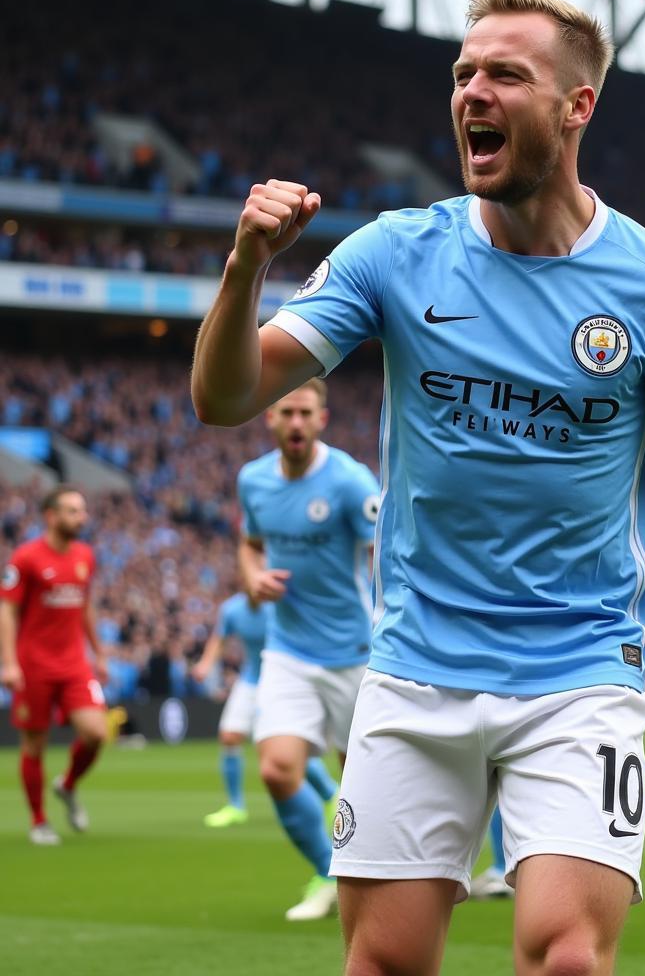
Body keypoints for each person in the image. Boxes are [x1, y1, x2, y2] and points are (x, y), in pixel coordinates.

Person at [192, 0, 645, 975]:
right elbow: (226, 397)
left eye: (504, 74)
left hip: (578, 675)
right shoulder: (396, 254)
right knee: (384, 963)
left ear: (577, 106)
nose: (471, 92)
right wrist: (244, 272)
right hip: (412, 670)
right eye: (462, 73)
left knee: (566, 955)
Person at [236, 379, 380, 921]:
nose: (295, 422)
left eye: (305, 413)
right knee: (276, 770)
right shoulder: (253, 481)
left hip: (354, 653)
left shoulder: (347, 482)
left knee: (362, 785)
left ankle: (377, 882)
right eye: (285, 412)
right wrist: (253, 579)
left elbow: (386, 551)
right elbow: (250, 546)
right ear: (268, 418)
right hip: (288, 649)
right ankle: (328, 872)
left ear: (322, 419)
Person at [0, 485, 108, 845]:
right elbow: (7, 611)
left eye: (83, 510)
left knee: (96, 733)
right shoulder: (26, 558)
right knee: (34, 745)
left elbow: (86, 606)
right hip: (34, 665)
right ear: (51, 516)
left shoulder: (85, 556)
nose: (82, 517)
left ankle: (67, 784)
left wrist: (99, 652)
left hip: (75, 663)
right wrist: (10, 663)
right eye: (73, 511)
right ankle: (39, 821)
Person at [192, 590, 339, 828]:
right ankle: (236, 806)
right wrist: (206, 664)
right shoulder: (232, 610)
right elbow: (220, 639)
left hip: (282, 680)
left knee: (286, 747)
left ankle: (331, 793)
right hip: (250, 680)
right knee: (229, 736)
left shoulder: (280, 606)